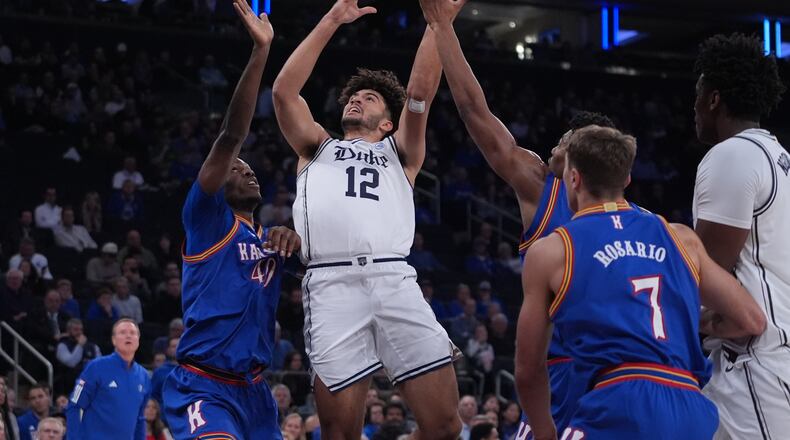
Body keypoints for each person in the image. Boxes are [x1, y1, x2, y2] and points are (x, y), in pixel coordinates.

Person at [417, 0, 617, 434]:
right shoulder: (554, 191)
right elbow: (476, 113)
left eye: (561, 141)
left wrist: (441, 24)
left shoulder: (544, 185)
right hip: (596, 371)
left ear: (580, 151)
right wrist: (443, 30)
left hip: (583, 373)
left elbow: (474, 111)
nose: (551, 148)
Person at [273, 0, 461, 437]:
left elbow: (419, 93)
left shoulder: (401, 153)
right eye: (354, 96)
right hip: (330, 285)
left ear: (389, 124)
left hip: (393, 279)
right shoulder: (315, 146)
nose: (357, 99)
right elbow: (284, 91)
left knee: (446, 426)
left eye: (369, 97)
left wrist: (439, 22)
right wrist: (332, 20)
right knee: (340, 433)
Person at [514, 126, 767, 439]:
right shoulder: (680, 237)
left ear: (574, 178)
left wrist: (544, 433)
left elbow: (528, 370)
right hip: (690, 405)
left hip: (620, 400)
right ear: (627, 180)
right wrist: (687, 322)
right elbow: (751, 320)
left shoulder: (554, 249)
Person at [162, 4, 299, 439]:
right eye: (236, 170)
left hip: (256, 391)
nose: (248, 170)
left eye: (250, 168)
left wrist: (294, 239)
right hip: (204, 384)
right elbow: (230, 135)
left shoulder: (269, 238)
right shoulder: (206, 219)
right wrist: (261, 51)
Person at [691, 33, 790, 439]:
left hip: (752, 364)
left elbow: (707, 278)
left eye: (697, 95)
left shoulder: (733, 154)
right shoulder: (778, 157)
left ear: (714, 99)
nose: (693, 108)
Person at [65, 319, 150, 439]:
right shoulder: (96, 367)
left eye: (132, 332)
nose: (128, 336)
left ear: (138, 340)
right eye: (123, 332)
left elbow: (140, 419)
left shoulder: (144, 376)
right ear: (114, 340)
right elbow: (74, 405)